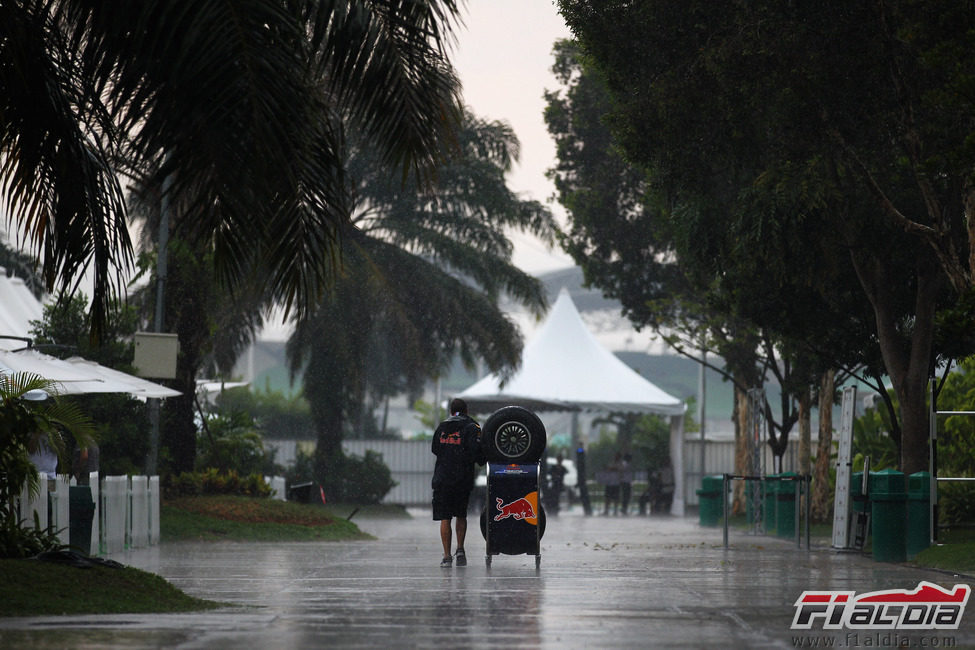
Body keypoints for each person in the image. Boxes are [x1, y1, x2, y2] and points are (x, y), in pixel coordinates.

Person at [431, 398, 484, 567]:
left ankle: (447, 557)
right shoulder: (472, 427)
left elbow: (435, 449)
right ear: (466, 410)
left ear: (451, 411)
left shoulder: (442, 427)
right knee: (461, 514)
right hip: (462, 479)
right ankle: (460, 549)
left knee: (445, 517)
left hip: (442, 479)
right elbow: (477, 452)